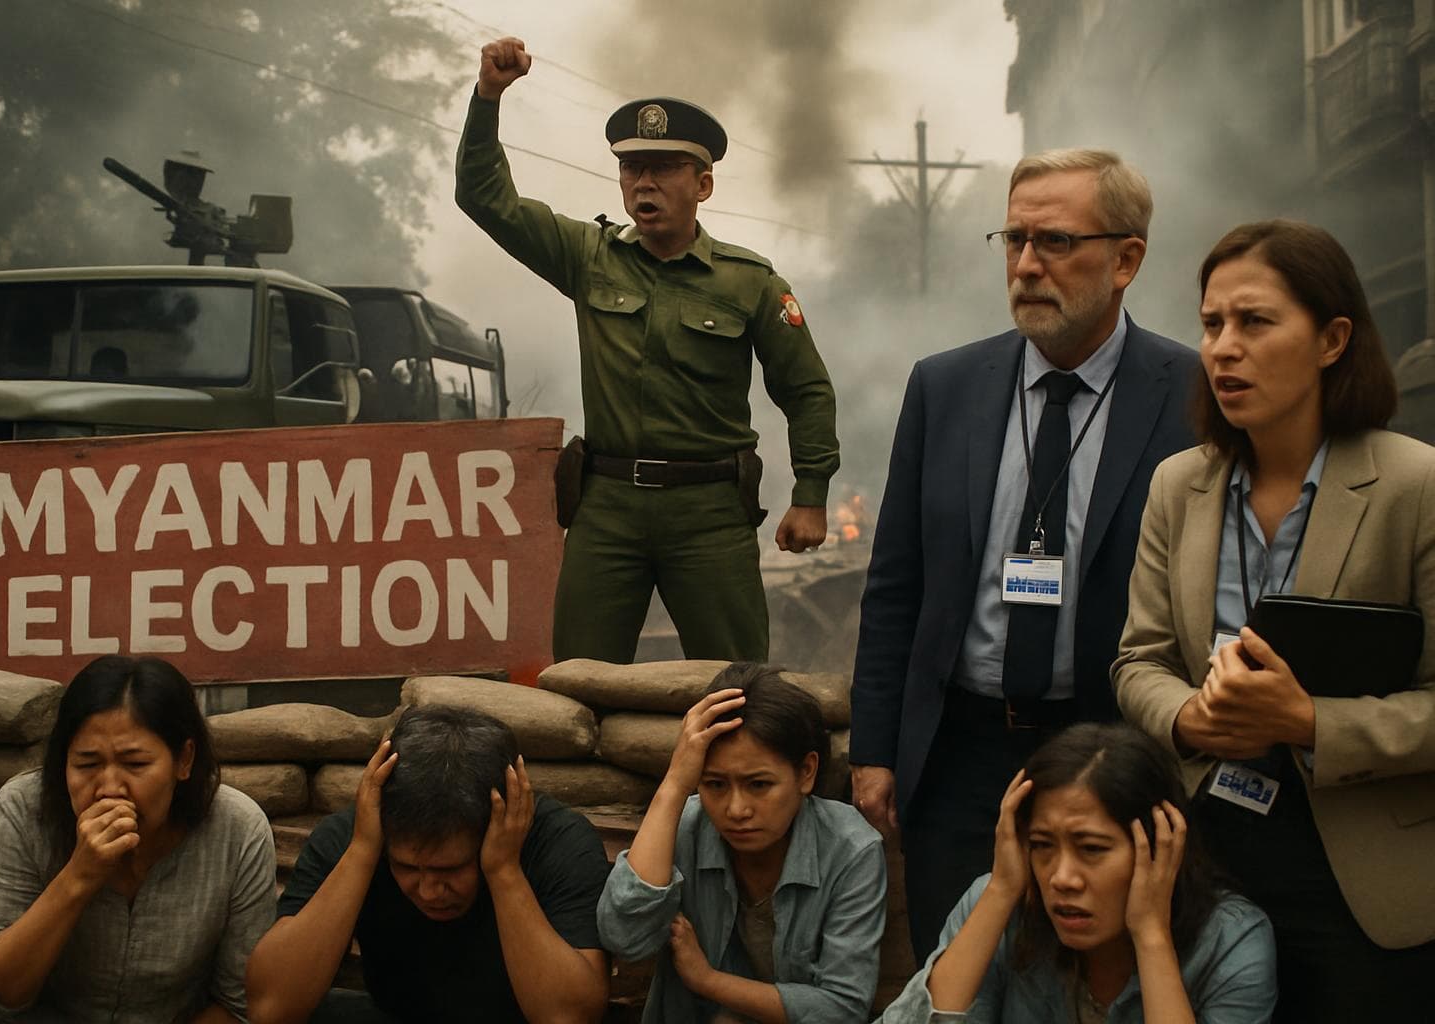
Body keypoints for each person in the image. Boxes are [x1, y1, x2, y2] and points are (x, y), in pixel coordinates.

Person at [848, 148, 1199, 959]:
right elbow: (896, 584)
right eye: (1013, 241)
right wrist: (873, 749)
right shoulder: (945, 386)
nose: (1028, 266)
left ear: (1127, 259)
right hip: (962, 752)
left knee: (1092, 982)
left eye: (1056, 243)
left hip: (1111, 746)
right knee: (956, 978)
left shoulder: (1189, 394)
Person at [1112, 219, 1435, 1020]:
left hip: (1365, 879)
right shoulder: (1177, 486)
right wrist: (1189, 718)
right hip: (1207, 855)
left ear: (1332, 338)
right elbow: (1138, 660)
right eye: (1212, 324)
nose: (1223, 348)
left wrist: (1309, 721)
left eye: (1255, 322)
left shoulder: (1415, 487)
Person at [455, 37, 839, 664]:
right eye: (632, 167)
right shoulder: (587, 256)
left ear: (703, 184)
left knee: (735, 685)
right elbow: (483, 198)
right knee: (578, 686)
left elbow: (806, 390)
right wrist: (489, 97)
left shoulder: (750, 282)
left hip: (710, 512)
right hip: (607, 510)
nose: (644, 181)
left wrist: (811, 493)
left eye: (663, 167)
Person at [0, 655, 276, 1023]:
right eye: (87, 764)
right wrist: (78, 877)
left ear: (183, 760)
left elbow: (240, 1004)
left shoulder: (237, 830)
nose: (108, 789)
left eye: (135, 764)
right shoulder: (23, 810)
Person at [878, 723, 1276, 1022]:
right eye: (1042, 845)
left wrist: (1151, 936)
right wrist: (1000, 892)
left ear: (1160, 845)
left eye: (1092, 849)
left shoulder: (1230, 939)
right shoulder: (999, 901)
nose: (1062, 878)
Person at [245, 705, 611, 1024]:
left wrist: (503, 870)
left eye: (449, 870)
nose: (429, 891)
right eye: (406, 868)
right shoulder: (354, 838)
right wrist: (362, 852)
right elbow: (272, 1009)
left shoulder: (558, 842)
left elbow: (568, 1018)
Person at [598, 664, 887, 1023]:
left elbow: (841, 1009)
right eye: (715, 784)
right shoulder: (685, 826)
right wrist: (673, 784)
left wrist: (708, 980)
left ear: (806, 772)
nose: (736, 810)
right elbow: (626, 938)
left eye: (759, 785)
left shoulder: (851, 850)